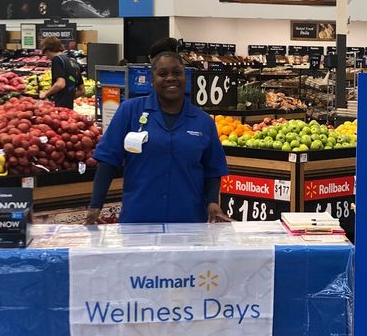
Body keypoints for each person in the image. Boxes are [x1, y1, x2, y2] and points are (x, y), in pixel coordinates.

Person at [85, 51, 230, 224]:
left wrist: (212, 202)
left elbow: (213, 169)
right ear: (152, 80)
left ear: (185, 78)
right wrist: (95, 206)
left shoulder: (203, 121)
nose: (171, 78)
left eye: (177, 73)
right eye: (163, 74)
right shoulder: (130, 111)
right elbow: (108, 160)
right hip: (139, 220)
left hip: (188, 222)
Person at [39, 36, 84, 109]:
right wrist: (68, 99)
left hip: (59, 108)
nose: (46, 56)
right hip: (69, 109)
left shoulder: (57, 60)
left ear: (47, 50)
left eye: (45, 53)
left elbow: (60, 84)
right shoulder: (73, 62)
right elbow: (82, 91)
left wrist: (46, 94)